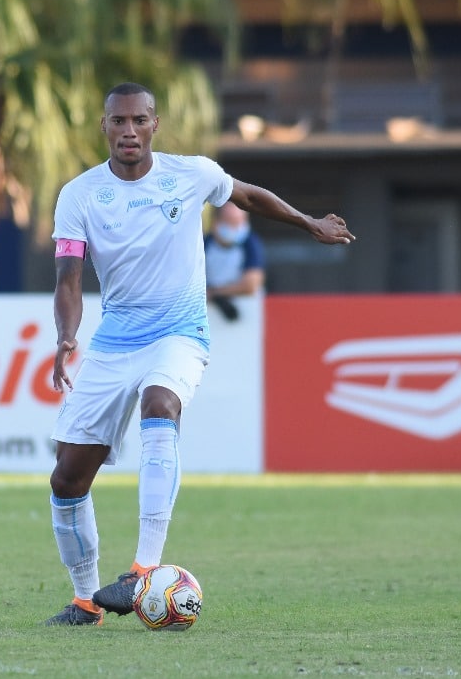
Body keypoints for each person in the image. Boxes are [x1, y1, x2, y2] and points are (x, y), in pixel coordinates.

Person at [43, 82, 355, 626]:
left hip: (178, 331)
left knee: (161, 405)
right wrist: (67, 334)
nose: (129, 131)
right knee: (67, 480)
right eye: (119, 122)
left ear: (154, 125)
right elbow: (68, 278)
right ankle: (86, 601)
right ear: (105, 127)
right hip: (115, 342)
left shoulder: (191, 174)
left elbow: (249, 195)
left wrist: (309, 224)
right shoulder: (80, 195)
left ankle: (144, 570)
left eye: (140, 120)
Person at [204, 201, 266, 321]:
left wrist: (213, 293)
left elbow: (250, 285)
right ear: (216, 223)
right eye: (230, 222)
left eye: (239, 223)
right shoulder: (204, 244)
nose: (236, 228)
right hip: (209, 316)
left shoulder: (250, 244)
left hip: (246, 314)